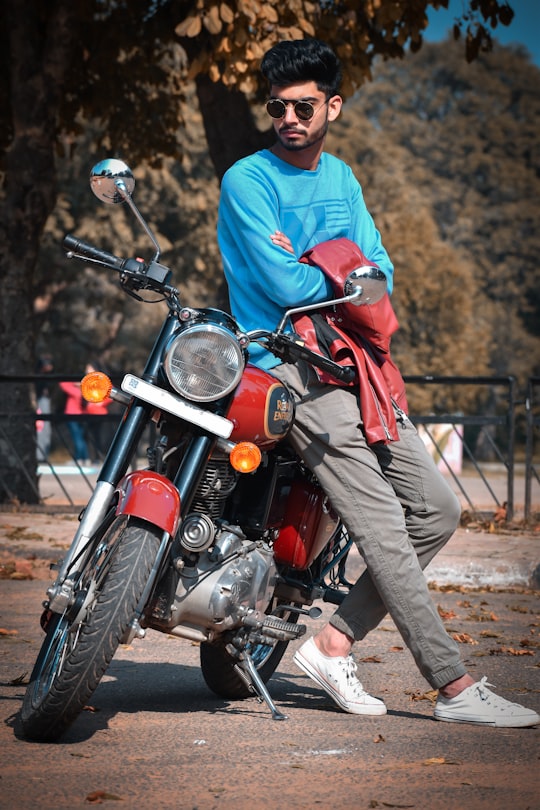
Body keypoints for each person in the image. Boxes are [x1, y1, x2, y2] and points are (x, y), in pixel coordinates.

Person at [217, 38, 539, 728]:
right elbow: (281, 286)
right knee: (384, 523)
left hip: (355, 366)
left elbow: (381, 275)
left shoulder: (343, 181)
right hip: (286, 369)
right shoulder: (248, 180)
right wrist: (342, 269)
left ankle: (332, 644)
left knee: (437, 511)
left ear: (332, 105)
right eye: (278, 106)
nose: (289, 117)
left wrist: (321, 264)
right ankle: (454, 689)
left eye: (304, 105)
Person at [59, 379, 89, 465]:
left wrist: (75, 383)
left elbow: (63, 384)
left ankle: (79, 458)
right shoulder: (85, 392)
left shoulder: (76, 391)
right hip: (82, 416)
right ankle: (85, 458)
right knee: (81, 438)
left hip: (72, 415)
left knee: (77, 438)